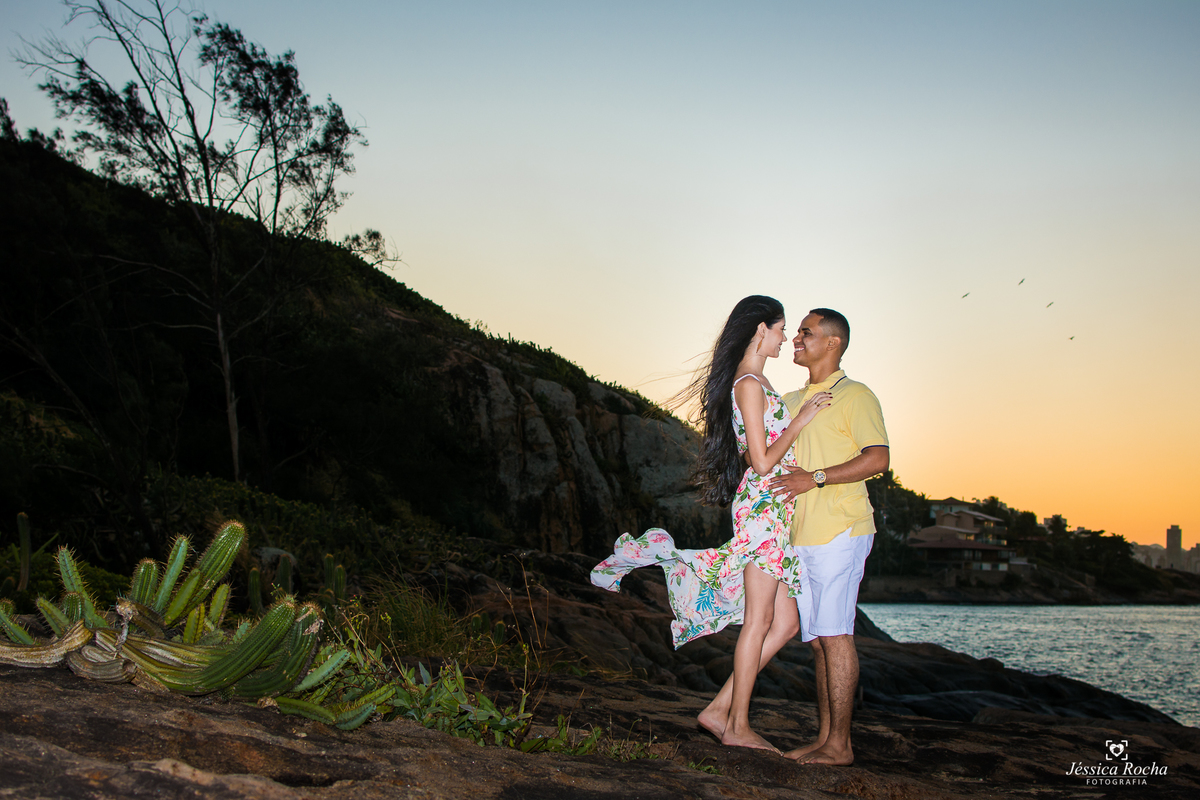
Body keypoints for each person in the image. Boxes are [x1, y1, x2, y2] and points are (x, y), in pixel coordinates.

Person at [590, 295, 830, 752]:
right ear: (760, 329)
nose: (785, 338)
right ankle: (736, 725)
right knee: (760, 620)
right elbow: (760, 461)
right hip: (763, 508)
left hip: (777, 509)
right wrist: (800, 421)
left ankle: (719, 710)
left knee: (784, 625)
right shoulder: (749, 383)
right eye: (781, 329)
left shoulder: (759, 381)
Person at [770, 308, 889, 766]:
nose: (796, 338)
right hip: (798, 535)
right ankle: (825, 740)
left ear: (833, 343)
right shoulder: (790, 399)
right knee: (819, 640)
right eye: (797, 332)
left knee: (836, 635)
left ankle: (840, 746)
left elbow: (878, 458)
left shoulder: (855, 395)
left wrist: (815, 477)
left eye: (806, 332)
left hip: (841, 529)